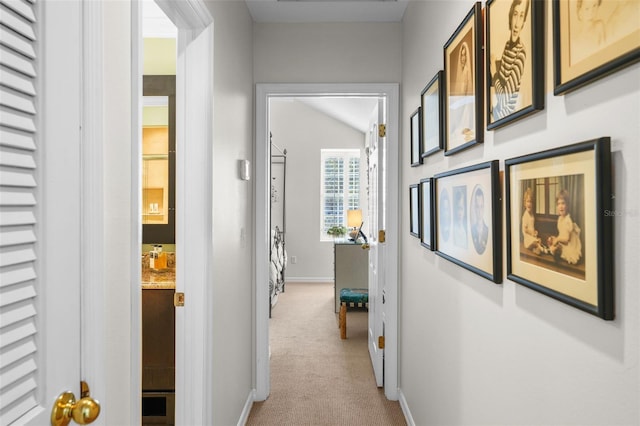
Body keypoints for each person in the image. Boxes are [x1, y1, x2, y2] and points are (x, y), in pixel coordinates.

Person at [490, 0, 529, 121]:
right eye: (515, 14)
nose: (517, 23)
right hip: (496, 112)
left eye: (521, 16)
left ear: (524, 21)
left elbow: (504, 98)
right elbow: (502, 79)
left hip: (505, 116)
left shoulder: (521, 53)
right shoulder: (507, 45)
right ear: (511, 16)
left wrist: (494, 73)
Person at [547, 189, 582, 265]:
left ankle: (555, 251)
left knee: (556, 247)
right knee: (552, 240)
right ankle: (551, 250)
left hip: (570, 245)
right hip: (564, 243)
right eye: (558, 204)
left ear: (568, 205)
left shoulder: (568, 220)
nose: (561, 206)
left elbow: (566, 239)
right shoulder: (560, 219)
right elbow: (561, 234)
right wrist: (555, 239)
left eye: (563, 203)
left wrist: (557, 239)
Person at [521, 187, 544, 254]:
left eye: (531, 202)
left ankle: (537, 249)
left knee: (539, 240)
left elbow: (532, 226)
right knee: (535, 242)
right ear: (525, 203)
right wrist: (532, 233)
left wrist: (535, 232)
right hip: (527, 237)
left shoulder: (531, 214)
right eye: (527, 201)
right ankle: (540, 248)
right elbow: (525, 230)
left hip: (532, 235)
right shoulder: (525, 215)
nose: (529, 204)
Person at [470, 186, 489, 254]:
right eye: (477, 207)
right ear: (474, 208)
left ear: (484, 207)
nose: (479, 211)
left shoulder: (487, 230)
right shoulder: (471, 230)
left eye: (481, 206)